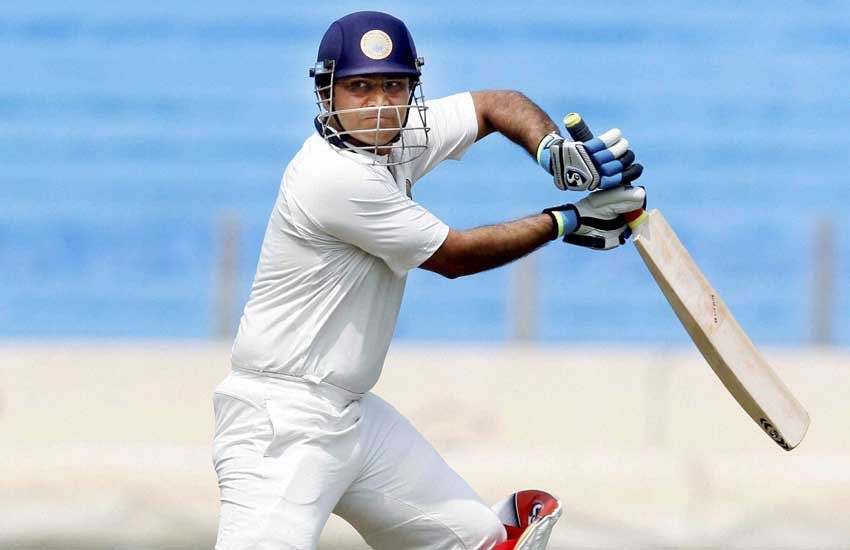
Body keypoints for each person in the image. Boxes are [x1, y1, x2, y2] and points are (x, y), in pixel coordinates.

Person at [211, 10, 645, 550]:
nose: (377, 105)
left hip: (352, 416)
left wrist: (554, 151)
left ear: (411, 88)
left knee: (478, 540)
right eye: (360, 88)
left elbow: (495, 104)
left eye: (392, 86)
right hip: (280, 422)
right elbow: (453, 256)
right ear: (327, 93)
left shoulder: (396, 138)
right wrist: (567, 219)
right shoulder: (332, 176)